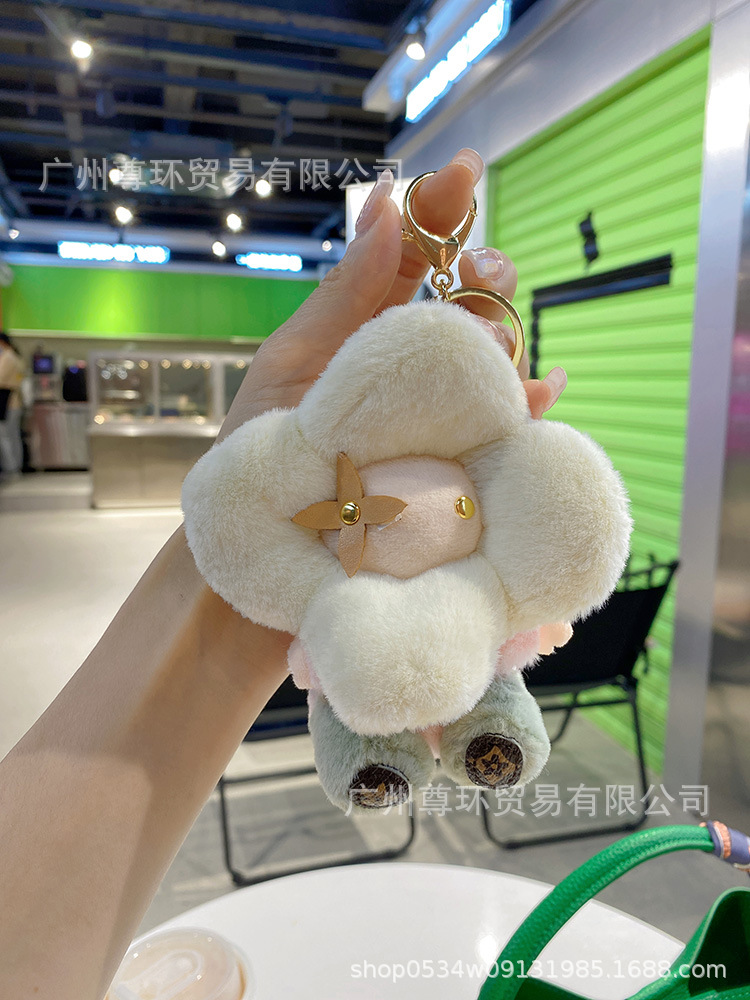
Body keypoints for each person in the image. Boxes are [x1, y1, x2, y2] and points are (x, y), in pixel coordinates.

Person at [0, 149, 567, 999]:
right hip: (351, 602)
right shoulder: (325, 471)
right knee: (342, 670)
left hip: (458, 602)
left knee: (488, 659)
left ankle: (489, 731)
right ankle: (375, 755)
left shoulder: (482, 470)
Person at [0, 330, 25, 477]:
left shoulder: (8, 357)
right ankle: (15, 466)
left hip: (8, 402)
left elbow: (1, 378)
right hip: (13, 402)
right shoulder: (14, 356)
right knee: (13, 435)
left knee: (6, 436)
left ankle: (11, 468)